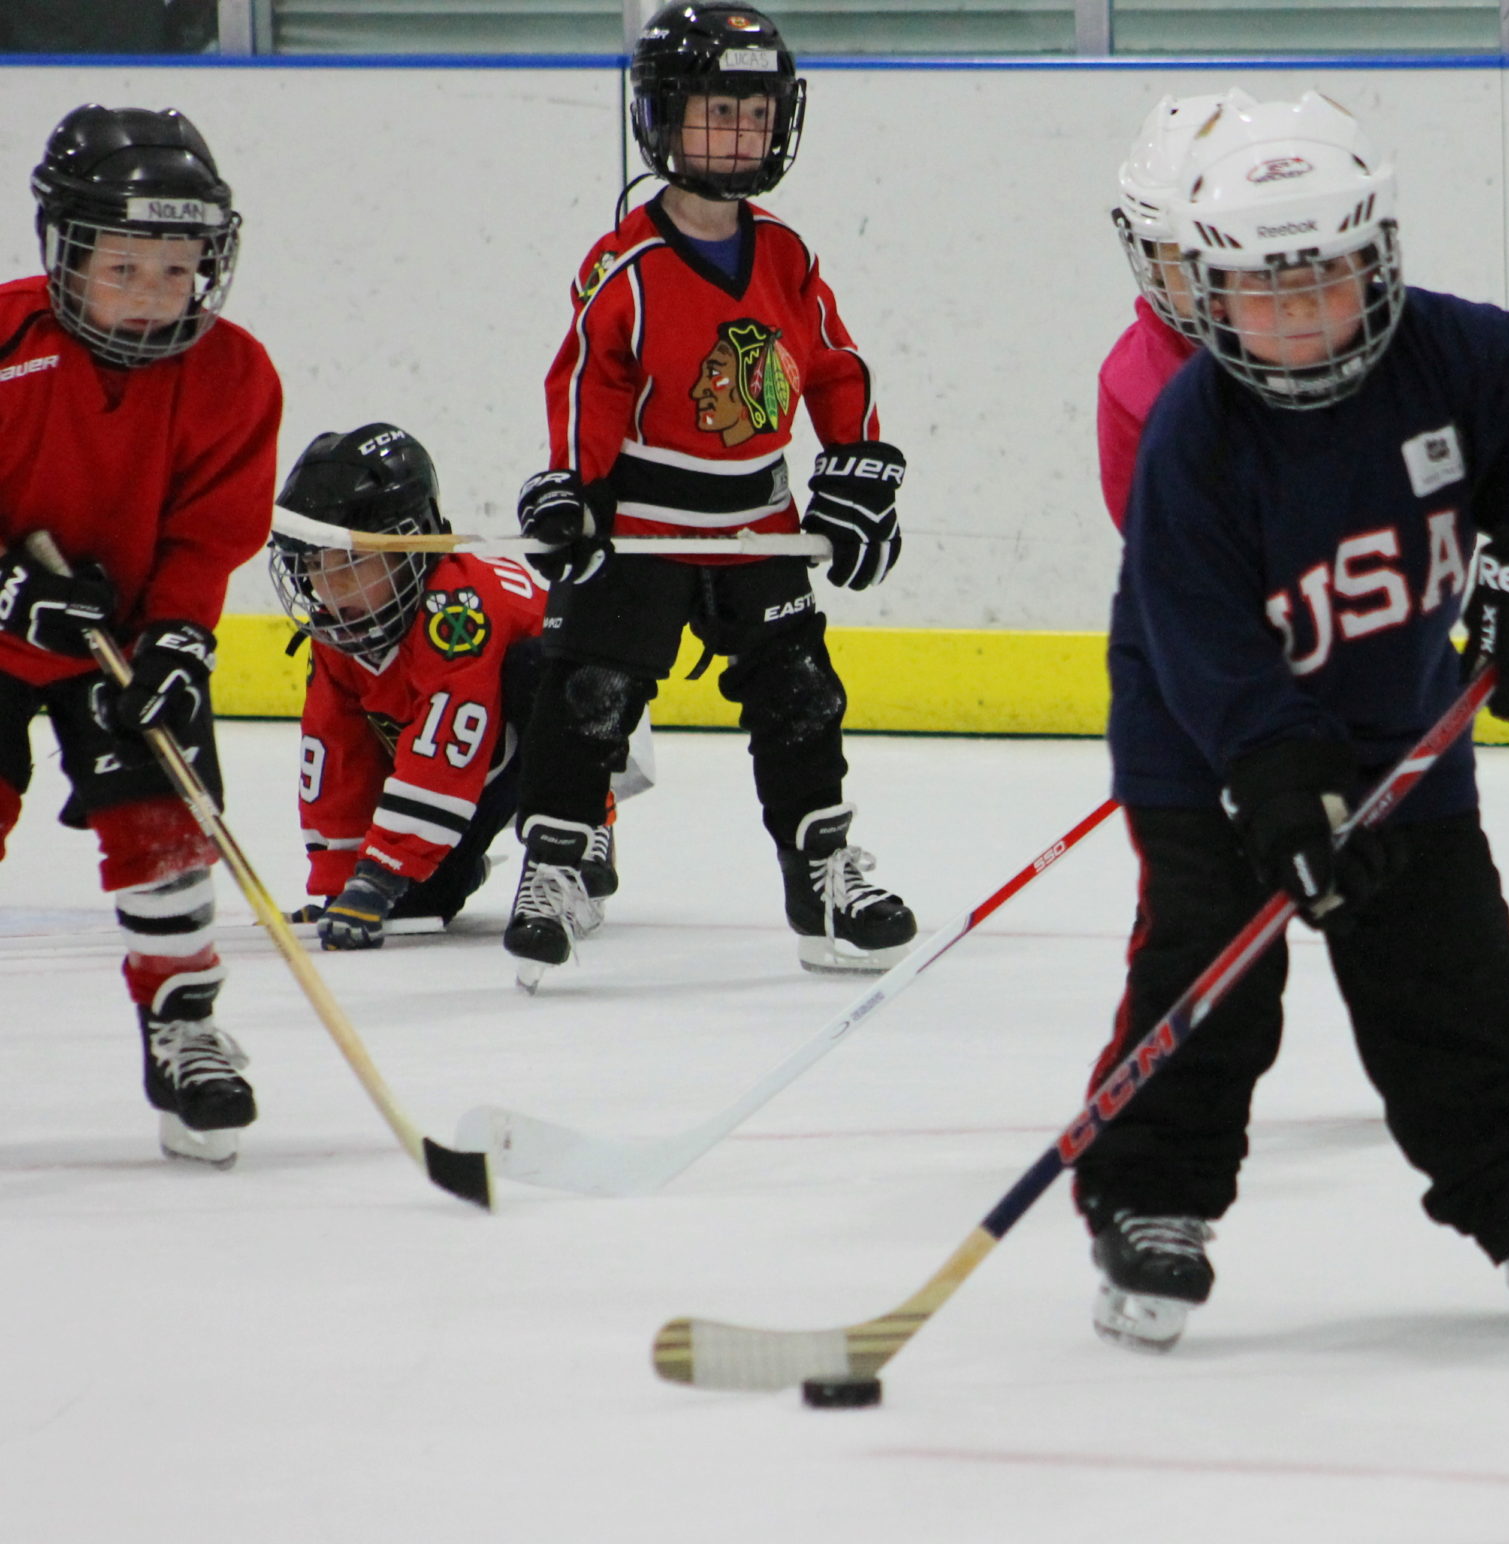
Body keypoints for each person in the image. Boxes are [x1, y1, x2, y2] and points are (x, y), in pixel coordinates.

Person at [1076, 91, 1509, 1352]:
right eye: (1261, 292)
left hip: (1404, 729)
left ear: (1377, 260)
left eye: (1326, 283)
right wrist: (1275, 775)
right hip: (1212, 745)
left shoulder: (1462, 357)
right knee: (1212, 969)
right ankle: (1152, 1201)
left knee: (1454, 972)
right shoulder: (1195, 430)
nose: (1298, 320)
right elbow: (1197, 628)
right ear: (1207, 296)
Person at [507, 0, 912, 988]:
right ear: (660, 116)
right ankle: (558, 863)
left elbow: (832, 367)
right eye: (713, 111)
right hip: (642, 521)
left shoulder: (786, 254)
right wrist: (571, 491)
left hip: (759, 520)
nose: (738, 134)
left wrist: (858, 470)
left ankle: (821, 871)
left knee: (799, 692)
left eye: (754, 112)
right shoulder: (628, 265)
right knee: (590, 690)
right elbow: (587, 382)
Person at [0, 106, 281, 1166]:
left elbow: (207, 534)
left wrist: (177, 640)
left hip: (118, 636)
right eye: (125, 267)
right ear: (64, 254)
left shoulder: (234, 375)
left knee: (164, 822)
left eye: (179, 268)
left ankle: (184, 1027)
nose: (156, 295)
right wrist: (6, 594)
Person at [272, 424, 609, 947]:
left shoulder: (458, 611)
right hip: (472, 759)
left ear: (413, 545)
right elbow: (337, 755)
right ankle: (461, 864)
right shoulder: (347, 626)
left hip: (584, 727)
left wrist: (378, 875)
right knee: (414, 911)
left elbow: (448, 743)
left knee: (537, 666)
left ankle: (585, 824)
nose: (331, 587)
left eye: (353, 561)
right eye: (314, 563)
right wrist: (342, 884)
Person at [1096, 88, 1243, 531]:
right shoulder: (1134, 384)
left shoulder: (1346, 328)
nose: (1215, 286)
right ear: (1153, 265)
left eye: (1232, 256)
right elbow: (1159, 557)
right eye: (1188, 260)